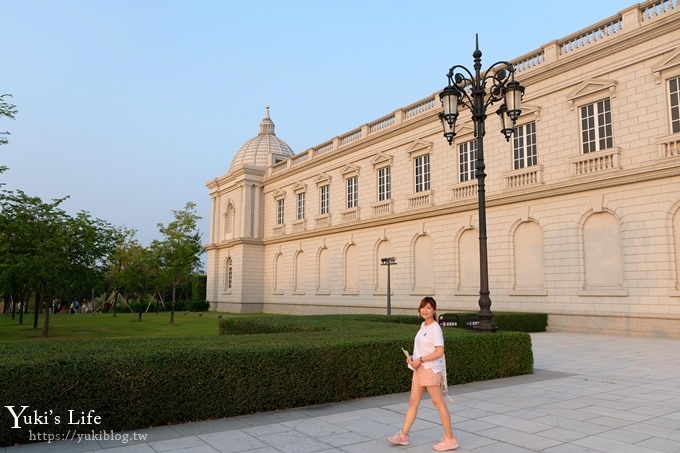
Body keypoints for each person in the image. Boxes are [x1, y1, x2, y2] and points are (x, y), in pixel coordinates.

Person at [387, 296, 459, 451]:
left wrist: (420, 359)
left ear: (434, 310)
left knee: (439, 403)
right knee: (413, 402)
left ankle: (450, 439)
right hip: (418, 370)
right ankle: (403, 435)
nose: (425, 310)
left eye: (428, 308)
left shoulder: (435, 328)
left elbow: (440, 351)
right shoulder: (423, 326)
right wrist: (412, 358)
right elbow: (422, 349)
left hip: (430, 370)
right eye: (423, 307)